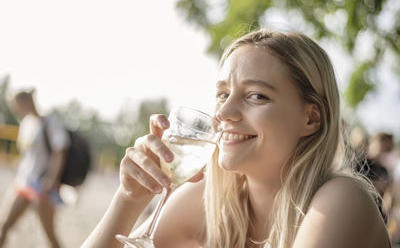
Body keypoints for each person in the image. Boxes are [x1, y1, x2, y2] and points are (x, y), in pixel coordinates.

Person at [82, 29, 391, 248]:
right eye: (222, 94)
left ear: (311, 118)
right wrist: (129, 199)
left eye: (257, 96)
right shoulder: (207, 200)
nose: (224, 112)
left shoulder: (342, 199)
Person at [0, 90, 69, 248]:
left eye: (17, 105)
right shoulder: (26, 123)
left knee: (49, 236)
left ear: (27, 101)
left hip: (42, 186)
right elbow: (27, 154)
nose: (16, 109)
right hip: (23, 183)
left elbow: (60, 153)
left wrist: (51, 181)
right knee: (3, 225)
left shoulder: (50, 122)